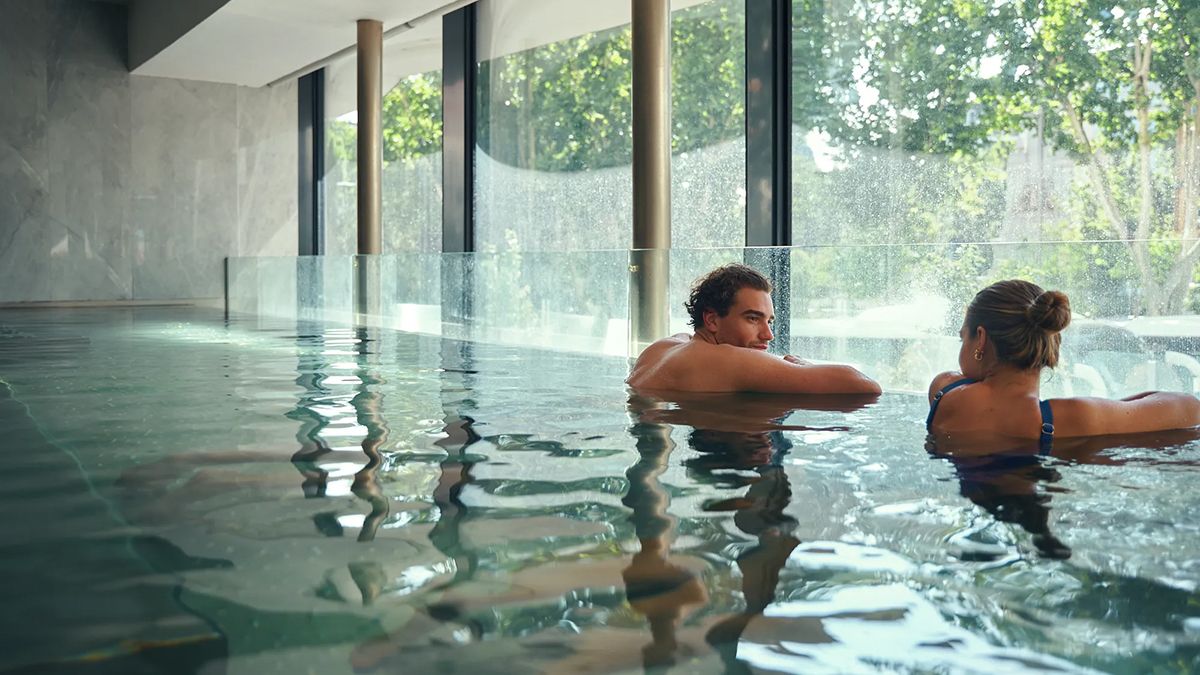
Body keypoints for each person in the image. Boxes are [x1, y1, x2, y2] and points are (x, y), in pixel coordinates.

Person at [927, 279, 1200, 451]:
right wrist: (1116, 409)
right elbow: (1189, 408)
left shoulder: (944, 391)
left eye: (963, 337)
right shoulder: (1069, 418)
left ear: (981, 339)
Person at [626, 263, 882, 394]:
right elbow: (864, 386)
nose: (768, 335)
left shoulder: (662, 348)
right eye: (752, 319)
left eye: (769, 321)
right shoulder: (727, 360)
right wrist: (803, 365)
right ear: (712, 320)